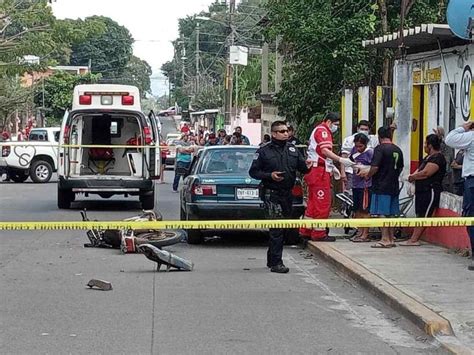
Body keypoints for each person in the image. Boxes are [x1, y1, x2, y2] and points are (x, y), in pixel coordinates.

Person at [249, 121, 309, 273]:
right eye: (282, 131)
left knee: (283, 228)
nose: (286, 133)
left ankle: (272, 259)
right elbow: (253, 172)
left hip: (287, 194)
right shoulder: (264, 151)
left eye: (287, 131)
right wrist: (270, 175)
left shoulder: (292, 149)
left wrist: (309, 165)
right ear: (274, 133)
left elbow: (303, 168)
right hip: (271, 193)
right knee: (277, 228)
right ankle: (277, 263)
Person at [299, 112, 354, 242]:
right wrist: (340, 160)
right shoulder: (323, 131)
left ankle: (306, 231)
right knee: (322, 202)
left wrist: (331, 166)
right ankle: (319, 233)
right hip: (319, 172)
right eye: (336, 125)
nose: (336, 127)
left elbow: (320, 154)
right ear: (329, 122)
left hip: (318, 169)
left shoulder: (319, 130)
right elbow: (324, 151)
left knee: (313, 204)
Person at [359, 126, 404, 249]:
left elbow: (375, 167)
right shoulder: (397, 149)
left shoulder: (380, 149)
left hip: (381, 185)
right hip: (394, 185)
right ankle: (391, 238)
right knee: (391, 214)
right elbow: (400, 167)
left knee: (382, 213)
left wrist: (368, 175)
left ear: (379, 137)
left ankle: (384, 239)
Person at [400, 134, 447, 246]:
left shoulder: (438, 158)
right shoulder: (427, 158)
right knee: (419, 214)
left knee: (424, 215)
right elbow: (419, 170)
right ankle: (413, 238)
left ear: (430, 145)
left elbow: (426, 173)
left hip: (430, 190)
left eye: (425, 144)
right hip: (421, 190)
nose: (424, 146)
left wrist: (412, 177)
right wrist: (411, 177)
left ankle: (414, 240)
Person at [445, 122, 474, 270]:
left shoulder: (471, 137)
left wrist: (464, 127)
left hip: (472, 182)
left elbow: (450, 139)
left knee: (470, 217)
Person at [348, 133, 374, 242]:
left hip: (365, 185)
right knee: (357, 210)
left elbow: (374, 167)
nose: (358, 148)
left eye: (360, 146)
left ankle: (365, 233)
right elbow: (350, 161)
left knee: (365, 210)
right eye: (356, 146)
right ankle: (359, 231)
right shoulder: (354, 151)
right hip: (356, 184)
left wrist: (366, 170)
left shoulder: (370, 153)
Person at [341, 120, 378, 191]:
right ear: (358, 129)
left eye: (366, 129)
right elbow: (344, 157)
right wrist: (343, 173)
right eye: (362, 129)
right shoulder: (349, 140)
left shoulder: (373, 140)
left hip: (366, 173)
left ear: (369, 130)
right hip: (351, 172)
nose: (364, 131)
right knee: (351, 193)